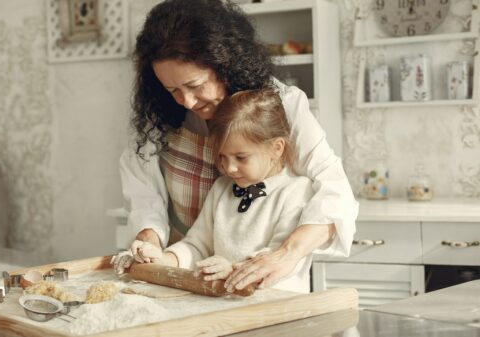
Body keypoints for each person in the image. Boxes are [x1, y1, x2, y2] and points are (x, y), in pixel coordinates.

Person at [112, 0, 358, 292]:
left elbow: (334, 192)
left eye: (195, 85)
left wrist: (283, 255)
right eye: (173, 89)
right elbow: (146, 202)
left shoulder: (281, 106)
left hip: (268, 286)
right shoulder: (158, 119)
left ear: (224, 64)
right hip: (186, 279)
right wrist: (151, 248)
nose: (187, 101)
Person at [134, 89, 318, 293]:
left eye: (241, 157)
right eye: (222, 157)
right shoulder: (222, 188)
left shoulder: (296, 191)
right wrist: (164, 258)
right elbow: (197, 245)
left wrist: (231, 271)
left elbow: (275, 260)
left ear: (277, 148)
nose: (229, 168)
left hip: (279, 309)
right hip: (227, 308)